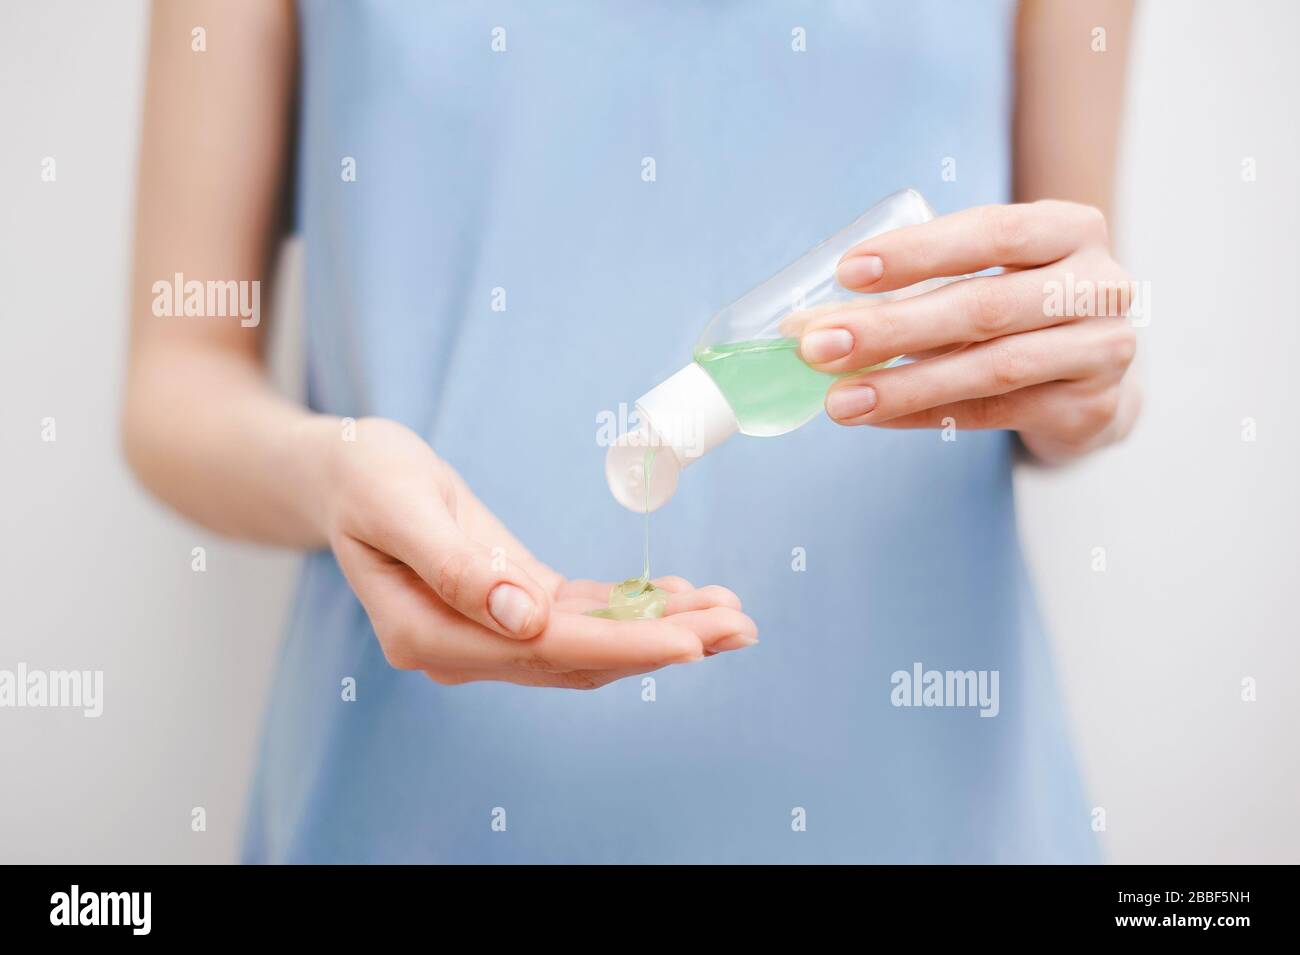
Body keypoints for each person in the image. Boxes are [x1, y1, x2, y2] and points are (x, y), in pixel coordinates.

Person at [123, 0, 1139, 863]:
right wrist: (331, 473)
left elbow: (1066, 325)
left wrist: (1084, 385)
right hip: (416, 802)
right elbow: (175, 381)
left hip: (928, 800)